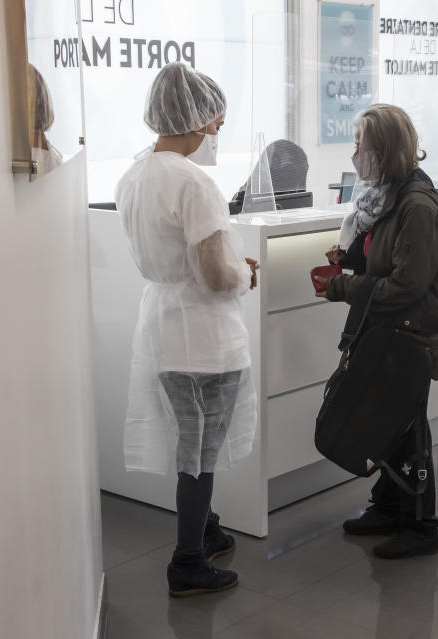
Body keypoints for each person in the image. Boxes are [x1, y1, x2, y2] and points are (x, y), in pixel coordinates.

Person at [115, 62, 260, 597]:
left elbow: (180, 255)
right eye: (215, 122)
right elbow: (219, 275)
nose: (216, 133)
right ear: (196, 119)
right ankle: (188, 560)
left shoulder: (135, 175)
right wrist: (244, 272)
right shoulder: (194, 182)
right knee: (198, 455)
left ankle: (209, 526)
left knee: (192, 440)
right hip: (203, 338)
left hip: (162, 326)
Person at [314, 104, 438, 559]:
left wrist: (342, 286)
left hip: (411, 335)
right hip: (388, 333)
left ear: (385, 150)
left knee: (409, 430)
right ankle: (389, 508)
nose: (355, 153)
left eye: (362, 145)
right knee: (389, 427)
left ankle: (420, 525)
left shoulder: (417, 205)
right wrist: (350, 260)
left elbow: (406, 285)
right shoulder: (388, 196)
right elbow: (387, 260)